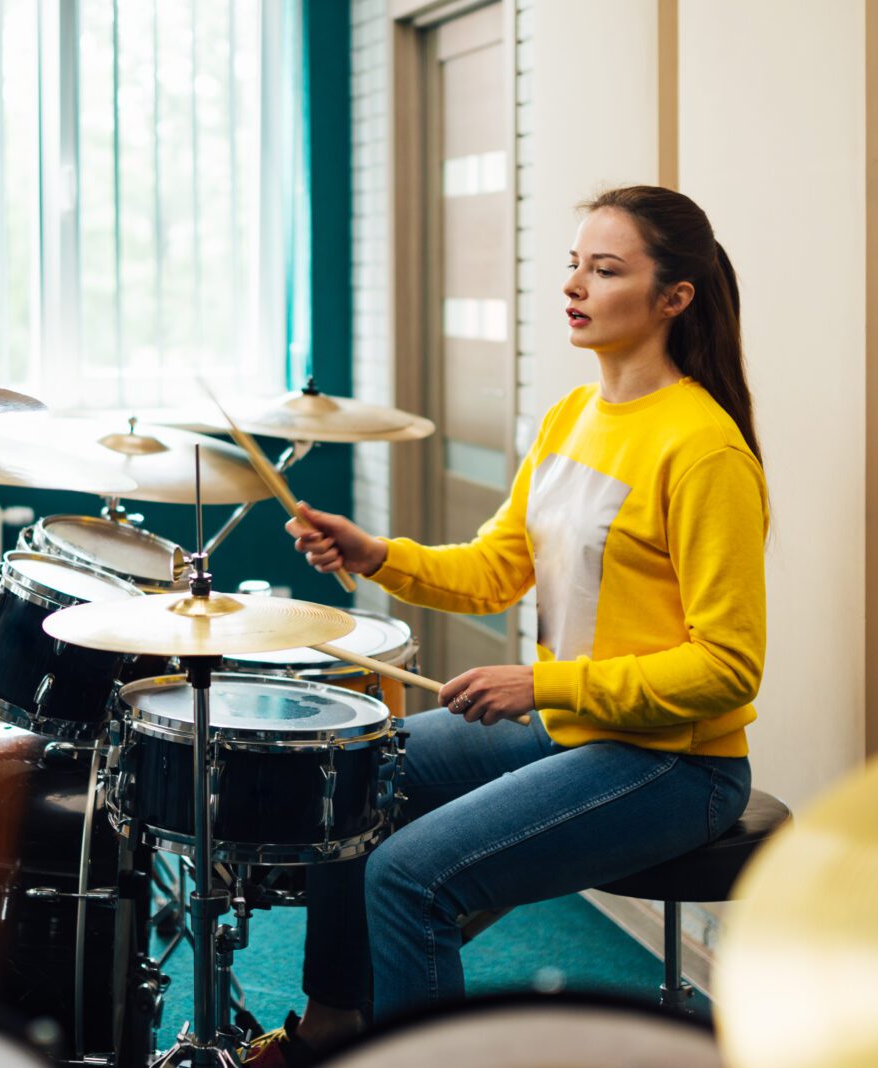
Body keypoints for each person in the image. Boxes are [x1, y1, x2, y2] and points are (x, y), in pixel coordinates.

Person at [242, 185, 768, 1066]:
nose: (576, 286)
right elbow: (496, 568)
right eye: (574, 265)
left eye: (605, 270)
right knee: (350, 773)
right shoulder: (572, 417)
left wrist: (540, 683)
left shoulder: (703, 449)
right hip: (572, 732)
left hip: (674, 764)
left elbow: (728, 668)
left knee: (409, 879)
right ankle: (334, 1033)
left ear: (674, 297)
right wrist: (376, 554)